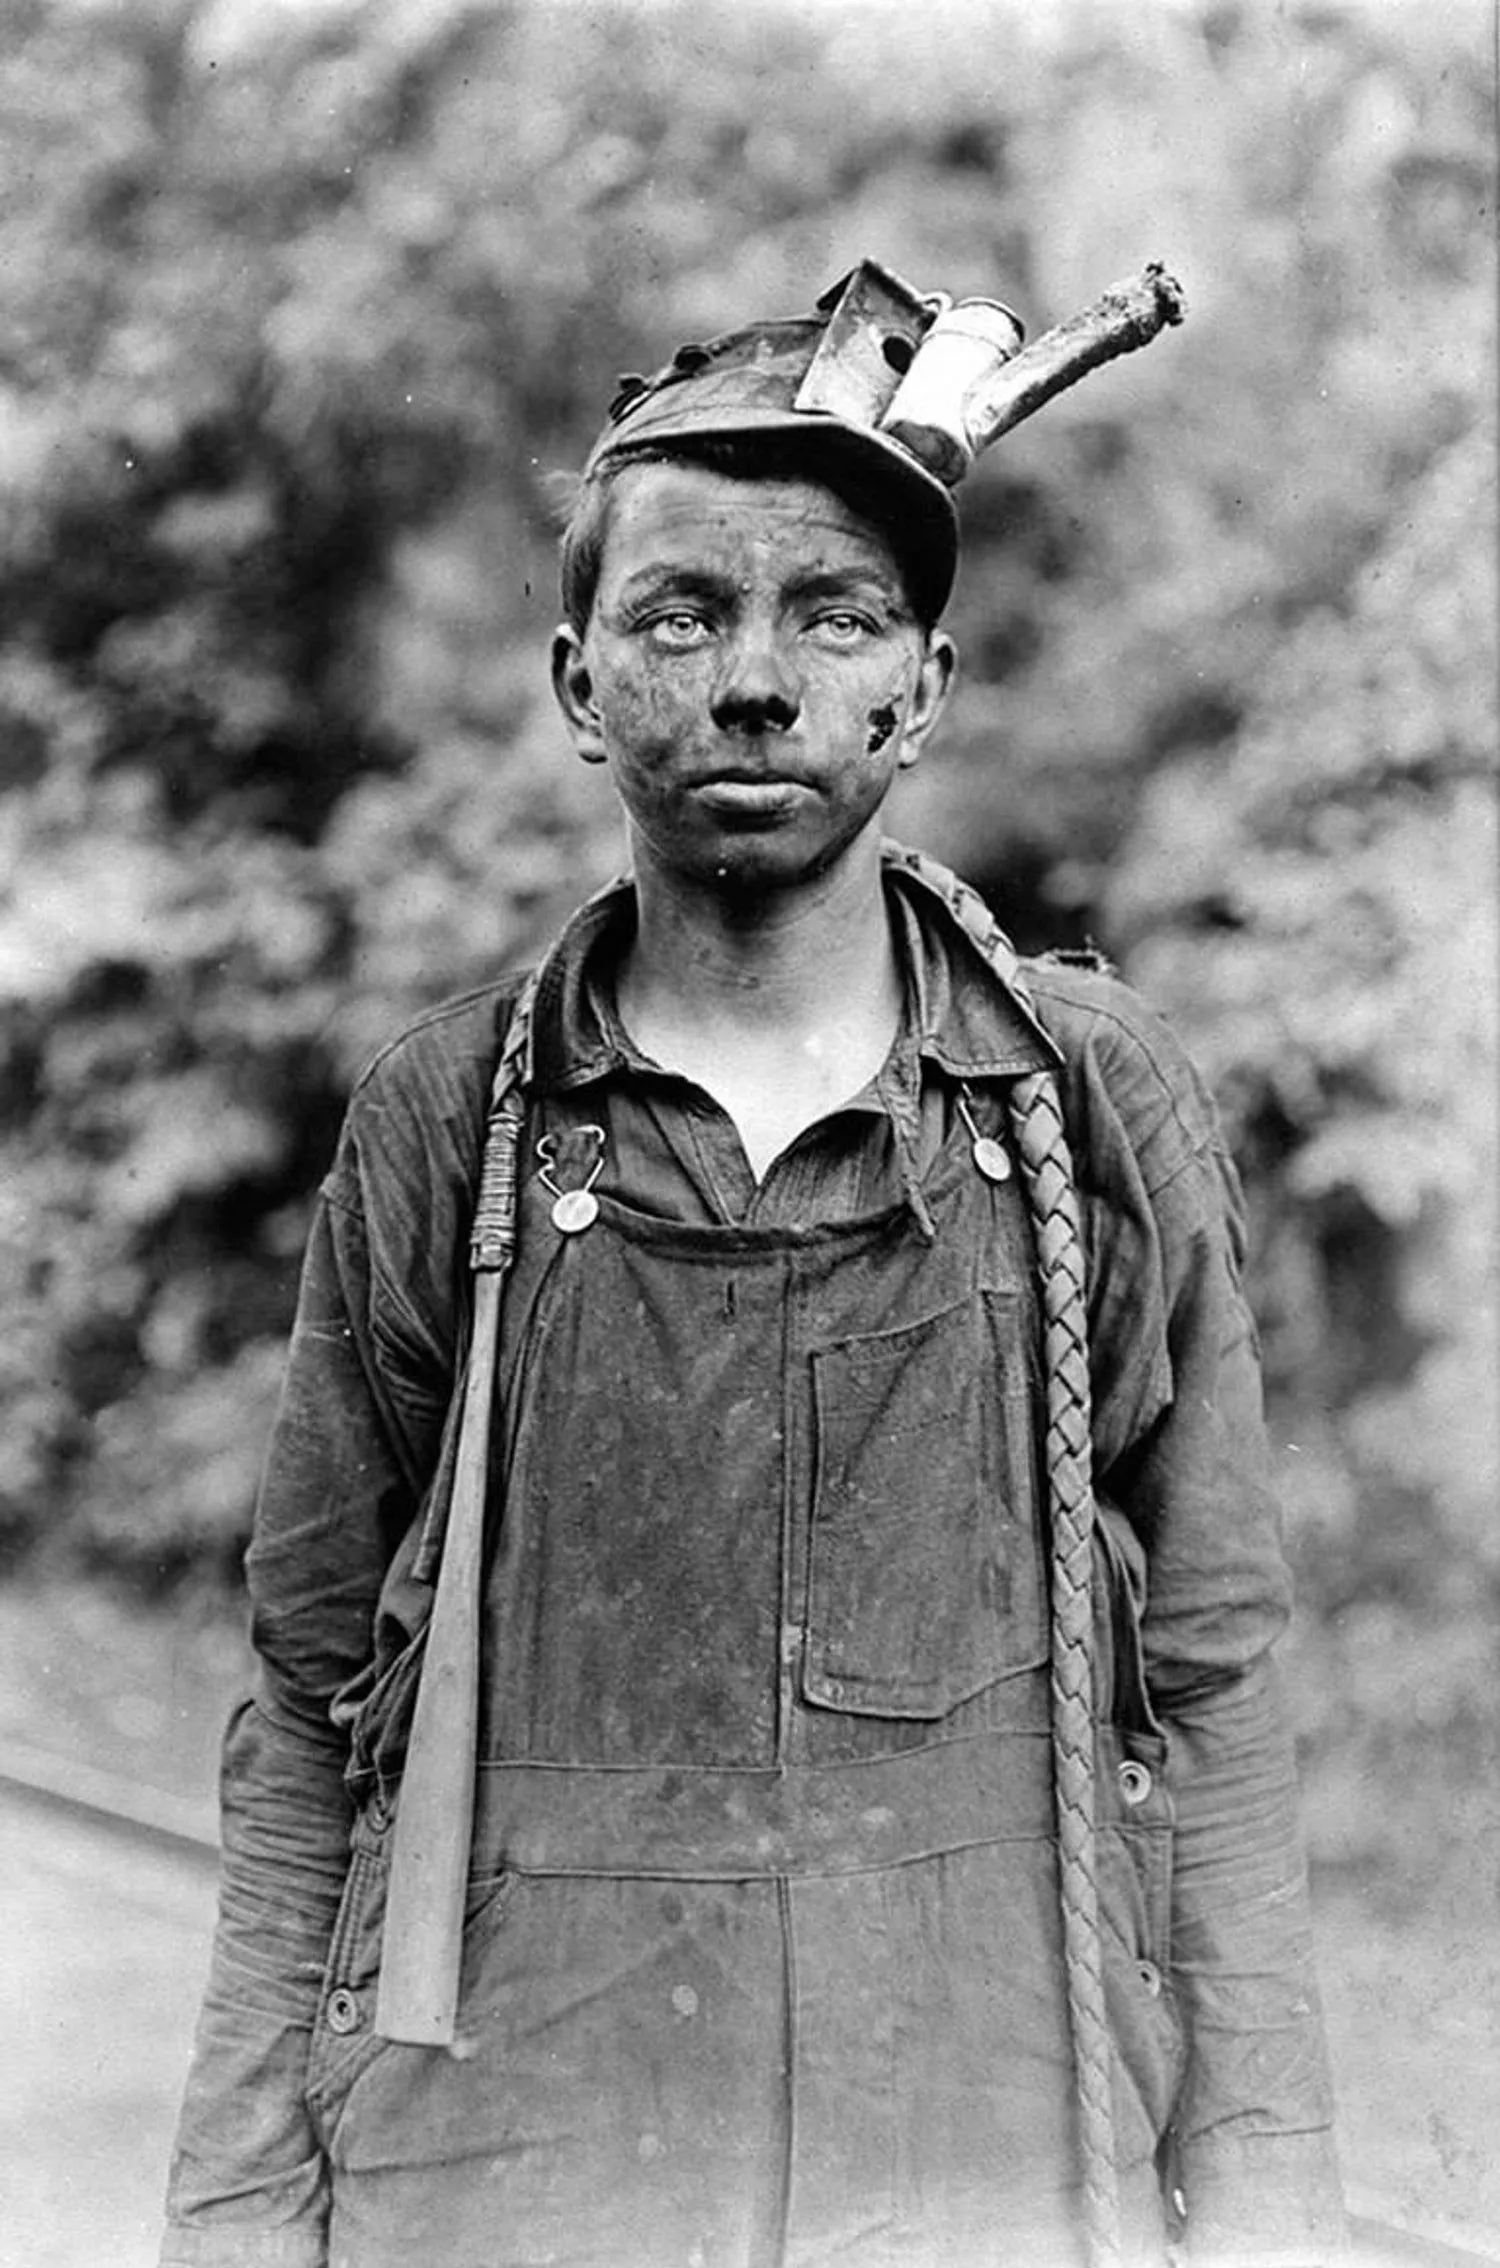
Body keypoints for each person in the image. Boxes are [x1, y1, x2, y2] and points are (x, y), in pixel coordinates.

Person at [161, 262, 1346, 2268]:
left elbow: (1216, 1687)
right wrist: (236, 2219)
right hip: (522, 2173)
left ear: (924, 688)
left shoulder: (1084, 1106)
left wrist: (1267, 2212)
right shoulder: (452, 1123)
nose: (757, 681)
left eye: (835, 615)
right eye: (683, 613)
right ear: (576, 683)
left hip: (983, 2158)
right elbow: (302, 1706)